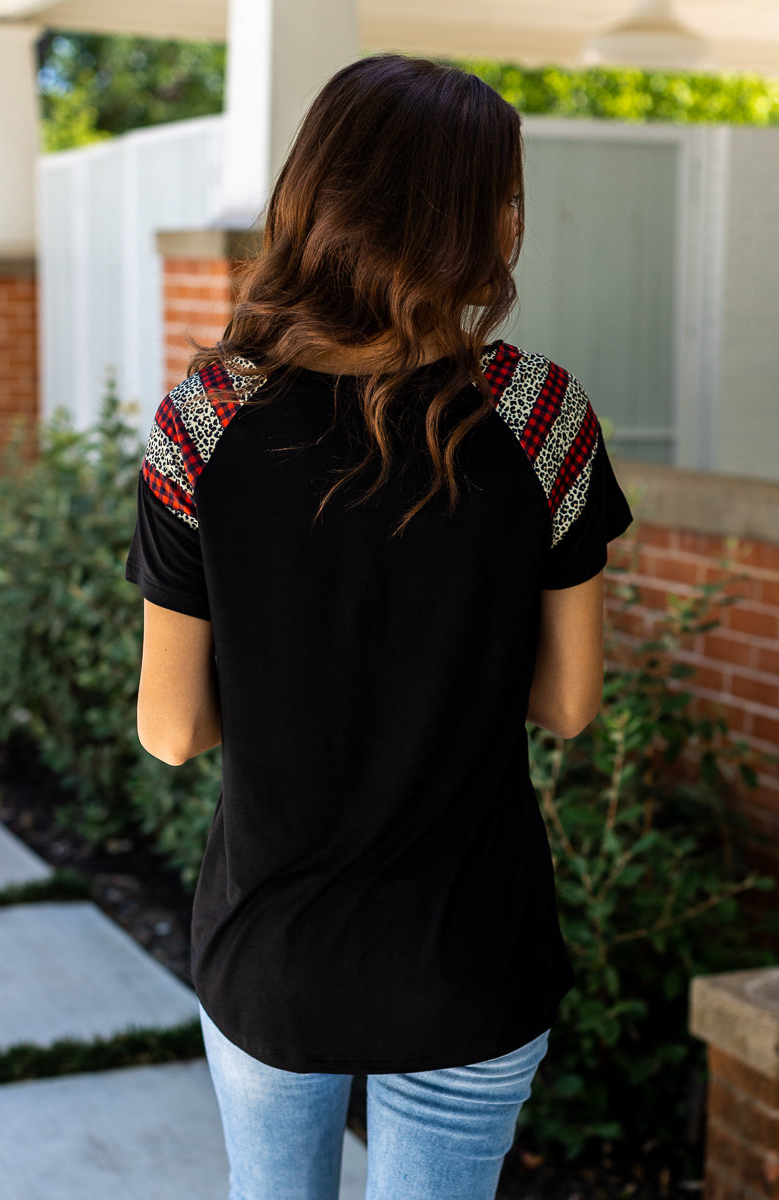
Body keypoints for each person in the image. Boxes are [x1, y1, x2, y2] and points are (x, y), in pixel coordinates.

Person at [125, 53, 633, 1200]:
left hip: (272, 952)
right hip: (465, 952)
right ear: (460, 218)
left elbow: (168, 728)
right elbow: (566, 703)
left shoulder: (201, 423)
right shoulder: (539, 416)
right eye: (503, 190)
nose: (516, 217)